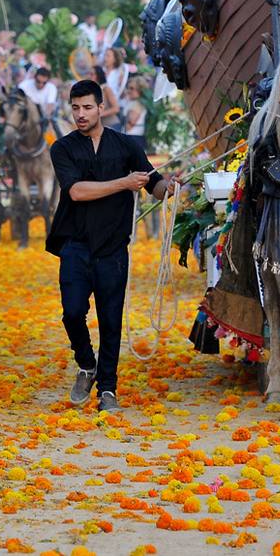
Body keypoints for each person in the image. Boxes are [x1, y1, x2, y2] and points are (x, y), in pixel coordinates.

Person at [46, 79, 176, 412]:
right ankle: (86, 363)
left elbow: (153, 183)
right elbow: (76, 192)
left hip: (113, 247)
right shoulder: (62, 148)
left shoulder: (127, 145)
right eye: (75, 108)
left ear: (101, 107)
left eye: (87, 107)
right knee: (72, 313)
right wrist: (124, 183)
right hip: (75, 243)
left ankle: (108, 389)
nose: (81, 114)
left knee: (111, 321)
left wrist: (168, 187)